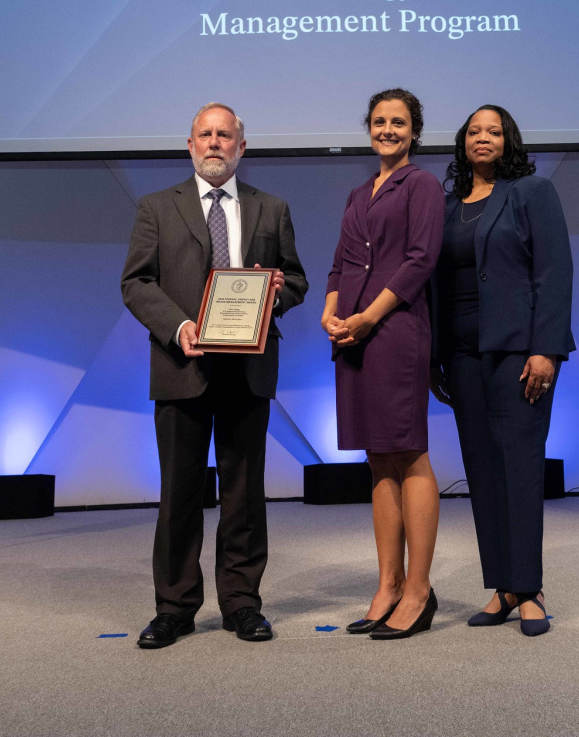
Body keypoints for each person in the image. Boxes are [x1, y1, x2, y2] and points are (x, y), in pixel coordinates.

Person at [121, 102, 308, 648]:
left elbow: (295, 279)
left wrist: (273, 296)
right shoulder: (157, 207)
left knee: (245, 494)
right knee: (179, 493)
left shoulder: (271, 208)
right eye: (205, 134)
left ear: (241, 148)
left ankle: (242, 603)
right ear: (189, 144)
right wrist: (177, 326)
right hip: (182, 366)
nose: (214, 143)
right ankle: (175, 607)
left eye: (225, 135)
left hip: (247, 372)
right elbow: (136, 283)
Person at [430, 104, 574, 637]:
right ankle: (503, 587)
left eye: (494, 131)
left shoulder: (531, 192)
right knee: (483, 471)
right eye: (474, 131)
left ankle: (530, 587)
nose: (483, 138)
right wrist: (432, 358)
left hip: (519, 354)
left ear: (508, 140)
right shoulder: (447, 207)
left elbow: (554, 272)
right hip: (462, 354)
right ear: (462, 142)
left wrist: (546, 349)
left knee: (519, 467)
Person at [323, 88, 446, 640]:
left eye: (398, 122)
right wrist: (333, 313)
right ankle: (388, 584)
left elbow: (421, 260)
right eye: (379, 121)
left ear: (414, 131)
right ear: (368, 128)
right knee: (378, 459)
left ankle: (419, 590)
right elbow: (340, 263)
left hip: (395, 332)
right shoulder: (356, 193)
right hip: (352, 335)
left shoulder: (421, 185)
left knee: (409, 454)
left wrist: (369, 316)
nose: (388, 130)